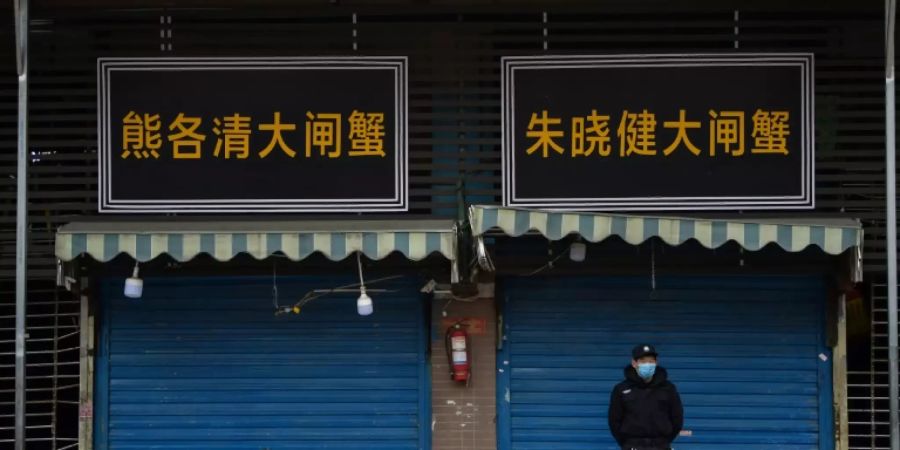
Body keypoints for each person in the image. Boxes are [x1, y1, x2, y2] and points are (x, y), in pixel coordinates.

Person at [607, 344, 684, 450]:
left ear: (656, 363)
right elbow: (614, 421)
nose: (647, 365)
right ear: (634, 363)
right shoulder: (621, 389)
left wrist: (664, 442)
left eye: (651, 361)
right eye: (643, 361)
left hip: (661, 445)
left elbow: (677, 419)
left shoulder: (668, 388)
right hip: (632, 445)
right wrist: (627, 444)